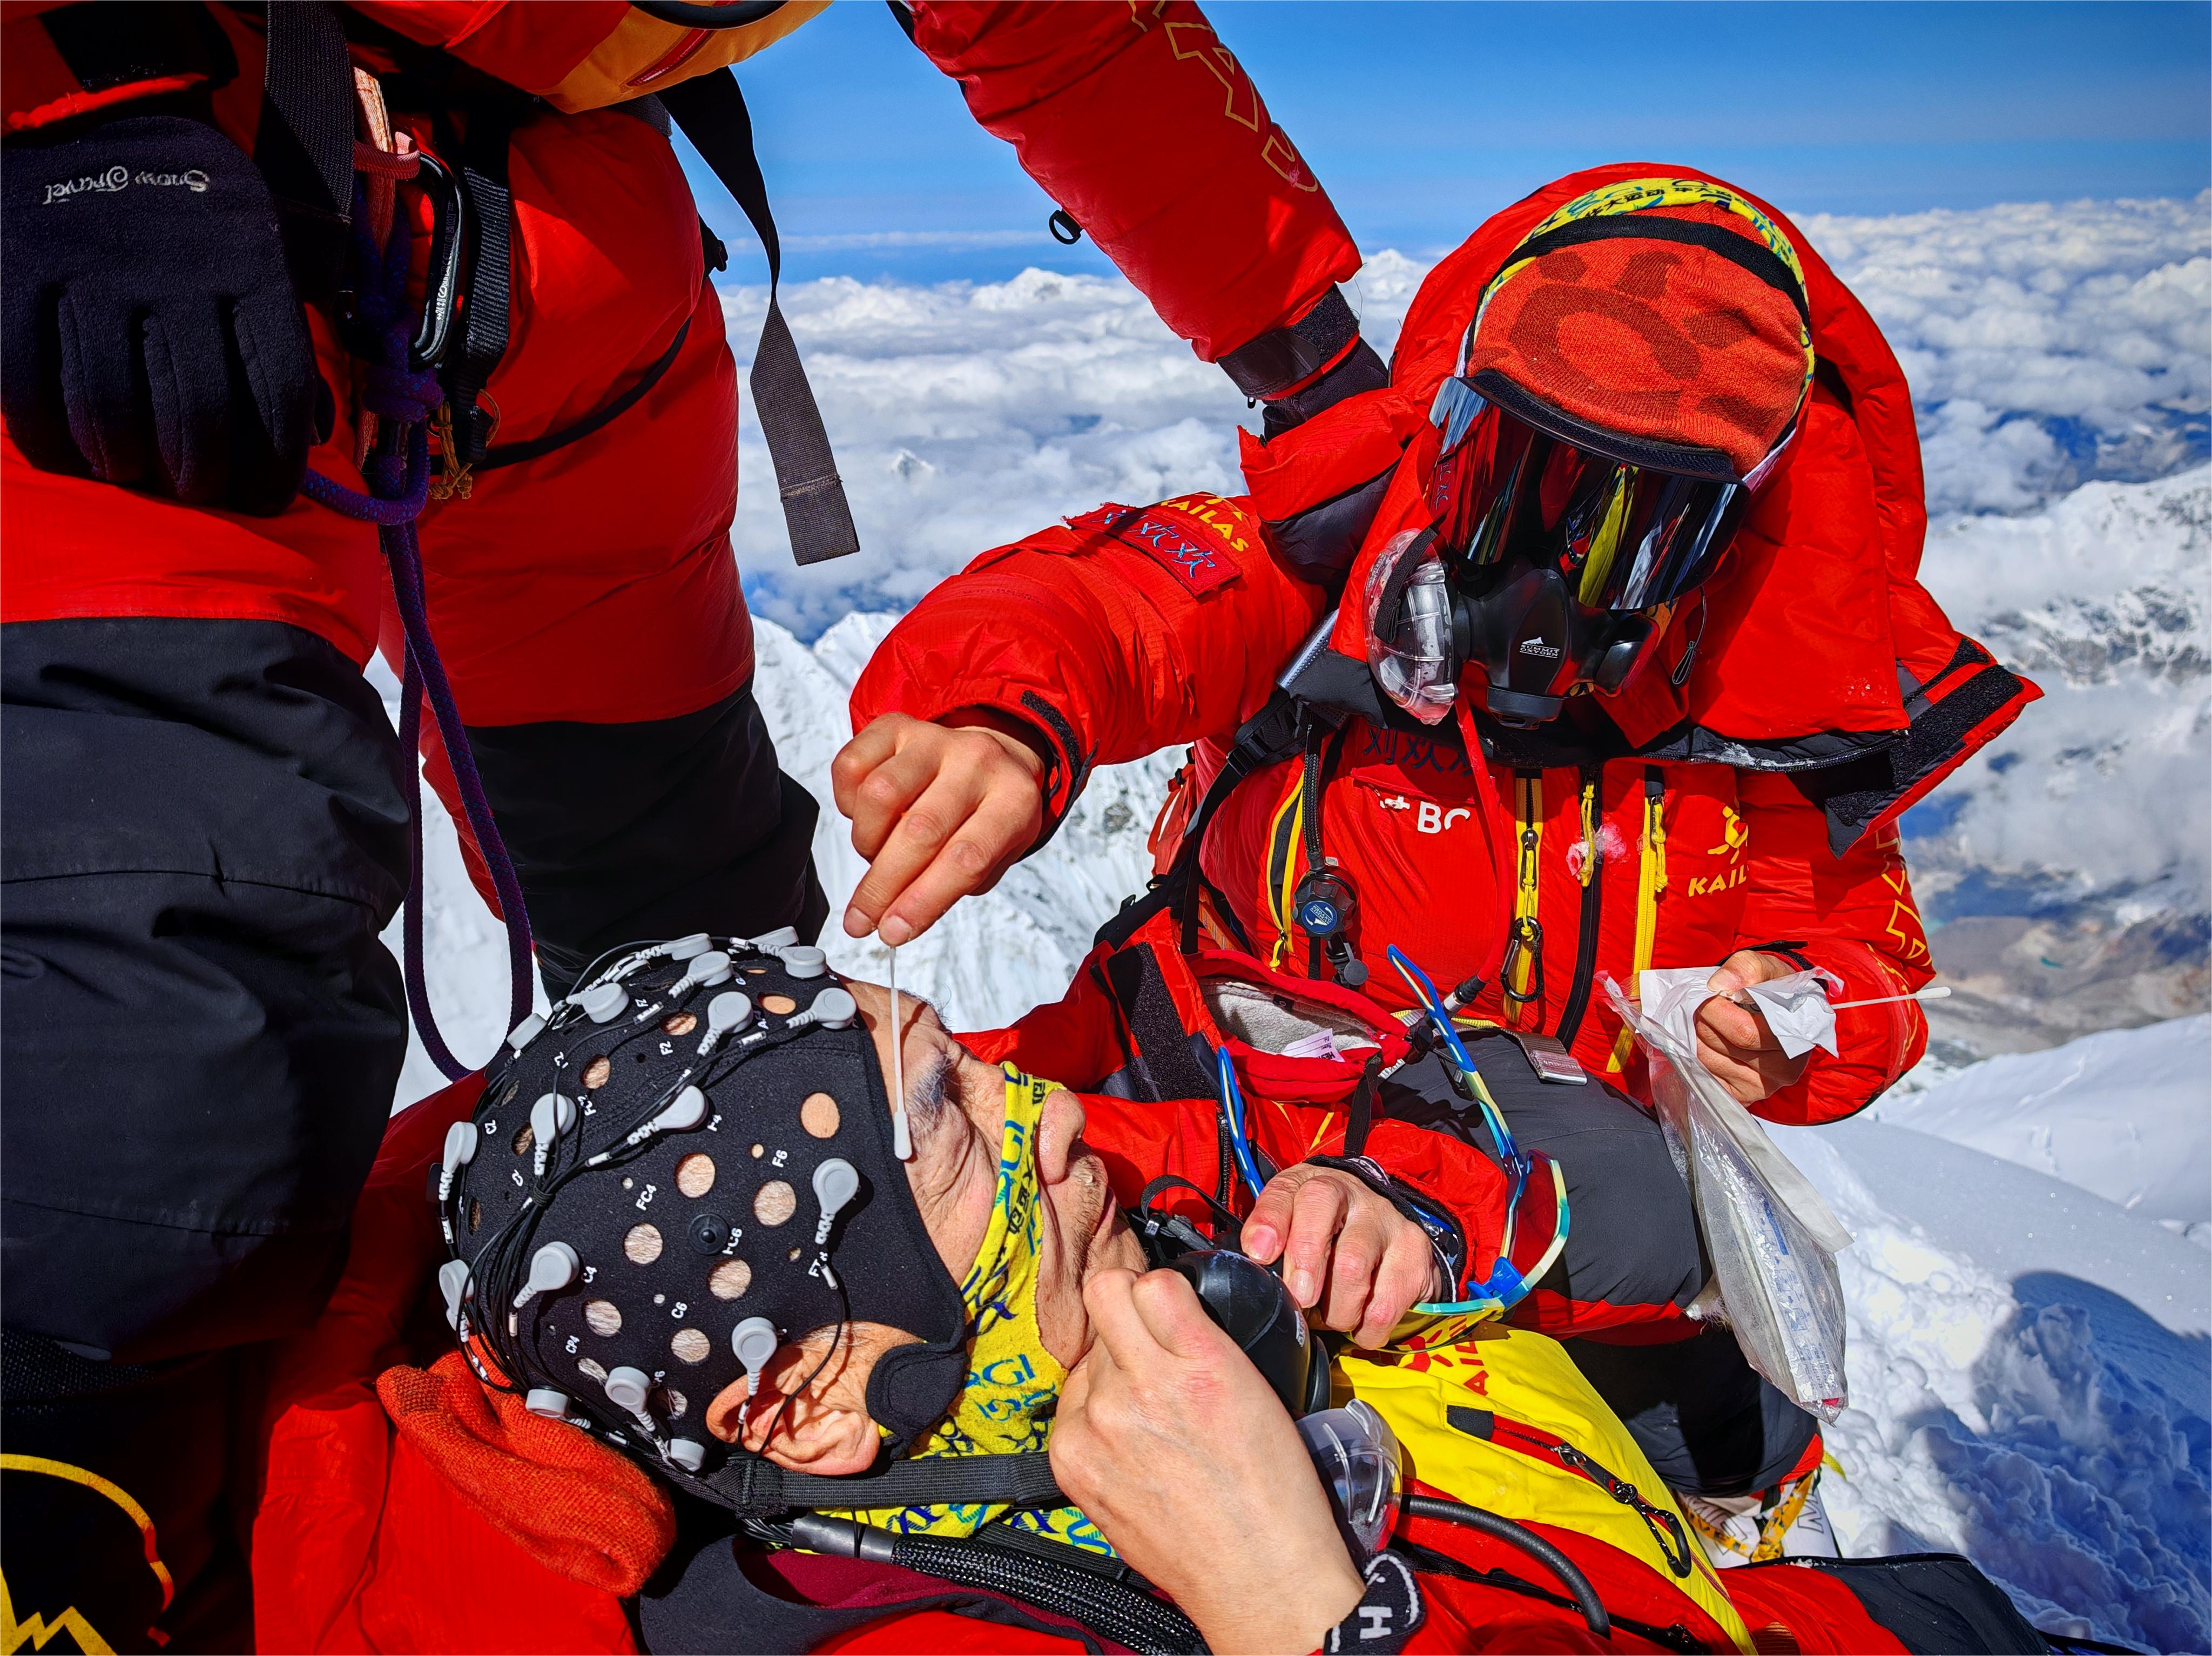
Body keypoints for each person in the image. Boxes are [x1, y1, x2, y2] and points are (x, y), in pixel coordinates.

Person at [0, 4, 1381, 1645]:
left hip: (554, 287)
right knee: (160, 1078)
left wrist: (1309, 363)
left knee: (729, 1026)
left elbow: (1068, 28)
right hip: (170, 218)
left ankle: (771, 1489)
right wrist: (95, 98)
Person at [830, 166, 2042, 1554]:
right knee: (899, 1183)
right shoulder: (1323, 568)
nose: (1547, 562)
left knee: (1710, 1441)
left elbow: (1869, 976)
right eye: (1516, 473)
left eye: (1630, 519)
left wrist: (1796, 1021)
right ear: (1451, 423)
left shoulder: (1767, 727)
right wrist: (1005, 715)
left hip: (1546, 1213)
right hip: (1182, 1096)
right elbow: (1117, 600)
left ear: (1728, 531)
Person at [244, 936, 2048, 1654]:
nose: (1043, 1113)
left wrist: (1405, 1195)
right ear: (805, 1401)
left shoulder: (1079, 1316)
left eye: (963, 1061)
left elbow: (1632, 1178)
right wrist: (1291, 1606)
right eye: (954, 1126)